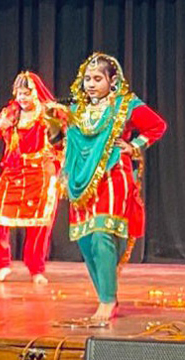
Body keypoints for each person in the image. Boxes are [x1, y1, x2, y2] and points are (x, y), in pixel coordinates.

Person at [58, 53, 167, 321]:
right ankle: (106, 295)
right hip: (79, 179)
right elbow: (67, 142)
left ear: (112, 80)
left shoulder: (125, 105)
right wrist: (64, 172)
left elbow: (157, 126)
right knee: (86, 242)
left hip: (113, 175)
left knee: (101, 234)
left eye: (98, 78)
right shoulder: (76, 110)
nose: (91, 84)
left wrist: (134, 146)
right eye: (87, 79)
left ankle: (107, 300)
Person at [0, 71, 61, 284]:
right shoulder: (11, 112)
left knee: (39, 225)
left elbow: (64, 144)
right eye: (19, 94)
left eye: (27, 93)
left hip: (40, 173)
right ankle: (2, 265)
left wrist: (56, 163)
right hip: (13, 172)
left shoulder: (49, 115)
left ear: (36, 93)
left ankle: (36, 269)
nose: (22, 98)